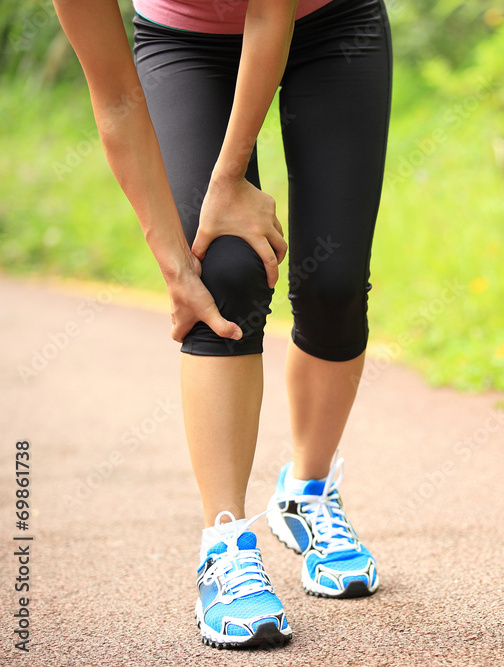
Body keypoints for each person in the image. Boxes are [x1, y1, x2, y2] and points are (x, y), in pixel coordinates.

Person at [53, 0, 392, 649]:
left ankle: (307, 492)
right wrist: (174, 263)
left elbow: (270, 13)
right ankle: (227, 542)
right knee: (223, 275)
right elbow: (117, 98)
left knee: (333, 283)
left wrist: (230, 176)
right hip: (185, 42)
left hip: (330, 22)